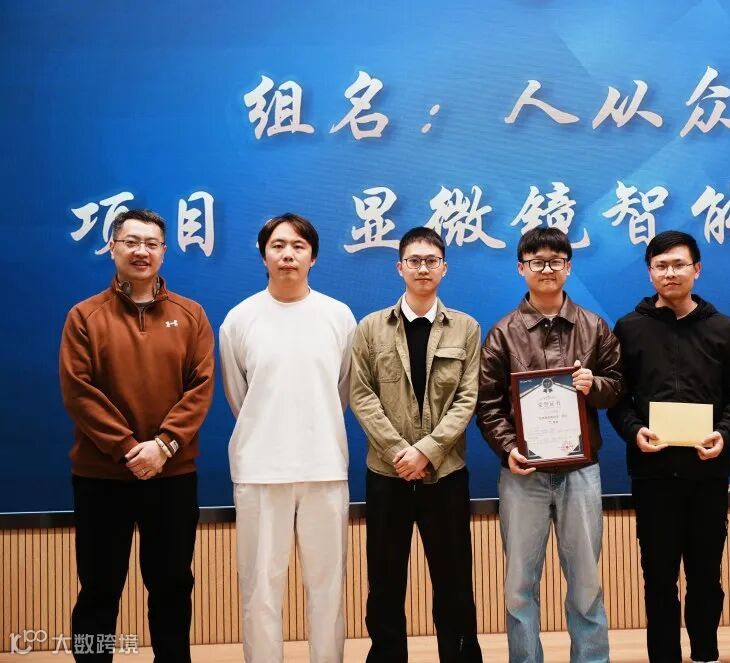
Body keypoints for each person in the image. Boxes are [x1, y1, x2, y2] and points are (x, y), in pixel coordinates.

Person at [59, 209, 214, 662]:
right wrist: (129, 449)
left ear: (164, 251)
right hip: (101, 476)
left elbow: (201, 388)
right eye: (131, 241)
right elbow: (78, 391)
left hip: (172, 475)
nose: (141, 251)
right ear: (113, 247)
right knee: (98, 588)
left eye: (151, 243)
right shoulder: (85, 316)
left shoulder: (191, 315)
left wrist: (163, 446)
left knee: (172, 586)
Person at [607, 230, 730, 663]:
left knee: (706, 574)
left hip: (707, 472)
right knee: (658, 577)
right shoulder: (629, 328)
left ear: (697, 269)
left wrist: (724, 434)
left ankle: (706, 653)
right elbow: (617, 398)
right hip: (652, 473)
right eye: (661, 266)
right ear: (650, 272)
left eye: (679, 264)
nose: (670, 273)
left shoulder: (722, 328)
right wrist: (635, 431)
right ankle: (664, 656)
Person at [476, 227, 623, 663]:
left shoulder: (594, 327)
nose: (546, 269)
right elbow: (488, 405)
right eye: (536, 261)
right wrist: (508, 449)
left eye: (555, 261)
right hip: (524, 474)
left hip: (581, 471)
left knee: (587, 584)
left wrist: (594, 385)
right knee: (519, 586)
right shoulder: (502, 333)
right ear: (521, 268)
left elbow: (617, 387)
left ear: (568, 267)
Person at [219, 213, 357, 663]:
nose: (287, 255)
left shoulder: (339, 316)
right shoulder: (239, 319)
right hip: (260, 471)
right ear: (263, 255)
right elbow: (239, 397)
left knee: (328, 589)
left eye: (298, 246)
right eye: (278, 246)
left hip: (324, 468)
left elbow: (342, 390)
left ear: (313, 257)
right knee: (259, 590)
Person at [350, 227, 483, 662]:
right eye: (414, 260)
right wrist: (398, 452)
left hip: (445, 474)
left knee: (454, 581)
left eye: (431, 260)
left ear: (444, 268)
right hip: (387, 474)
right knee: (385, 581)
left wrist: (427, 450)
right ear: (400, 267)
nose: (422, 268)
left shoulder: (466, 328)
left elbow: (468, 397)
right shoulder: (371, 328)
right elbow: (361, 395)